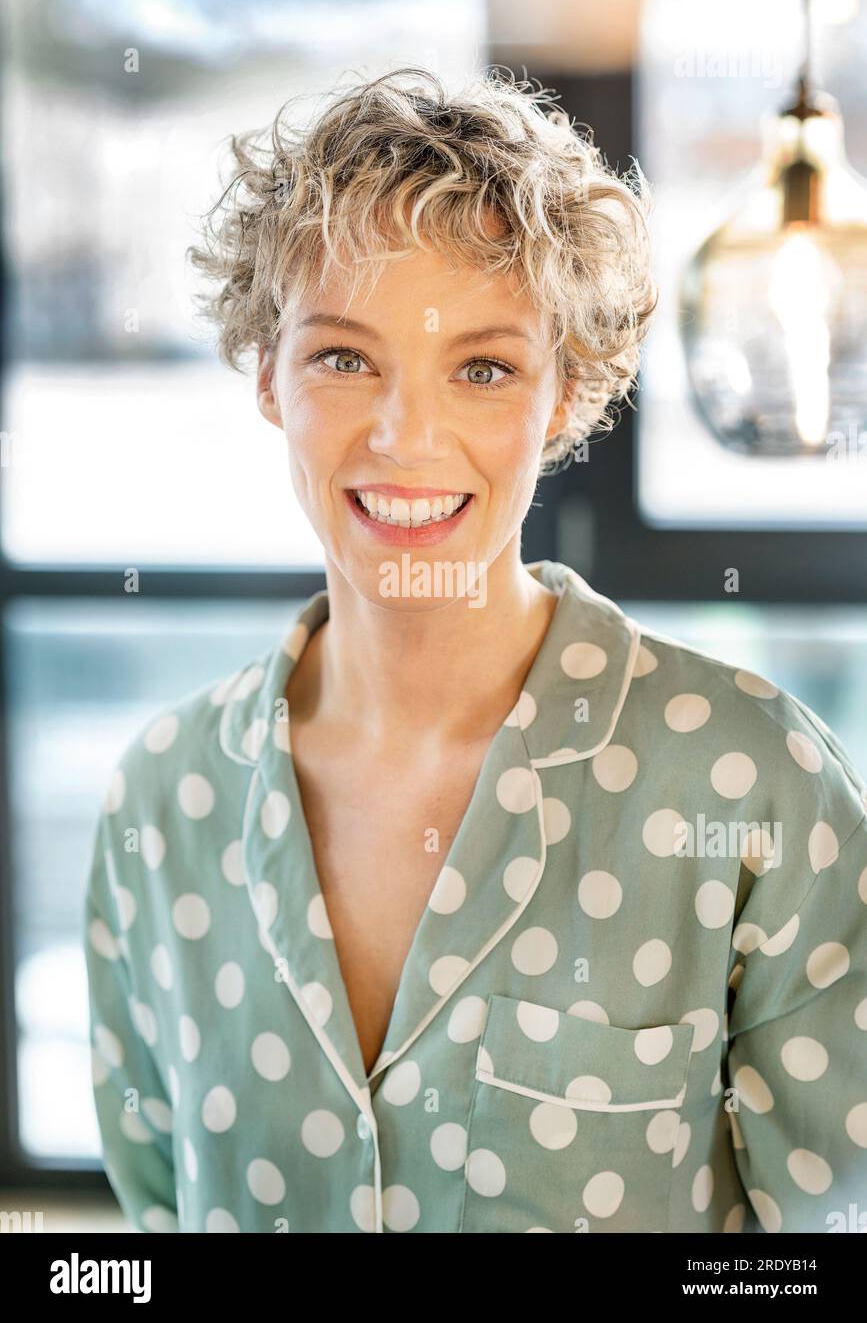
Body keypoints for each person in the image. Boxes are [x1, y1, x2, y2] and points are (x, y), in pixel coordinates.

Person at [83, 66, 867, 1234]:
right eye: (344, 358)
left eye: (484, 368)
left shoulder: (753, 783)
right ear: (266, 373)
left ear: (564, 392)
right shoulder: (163, 800)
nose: (407, 437)